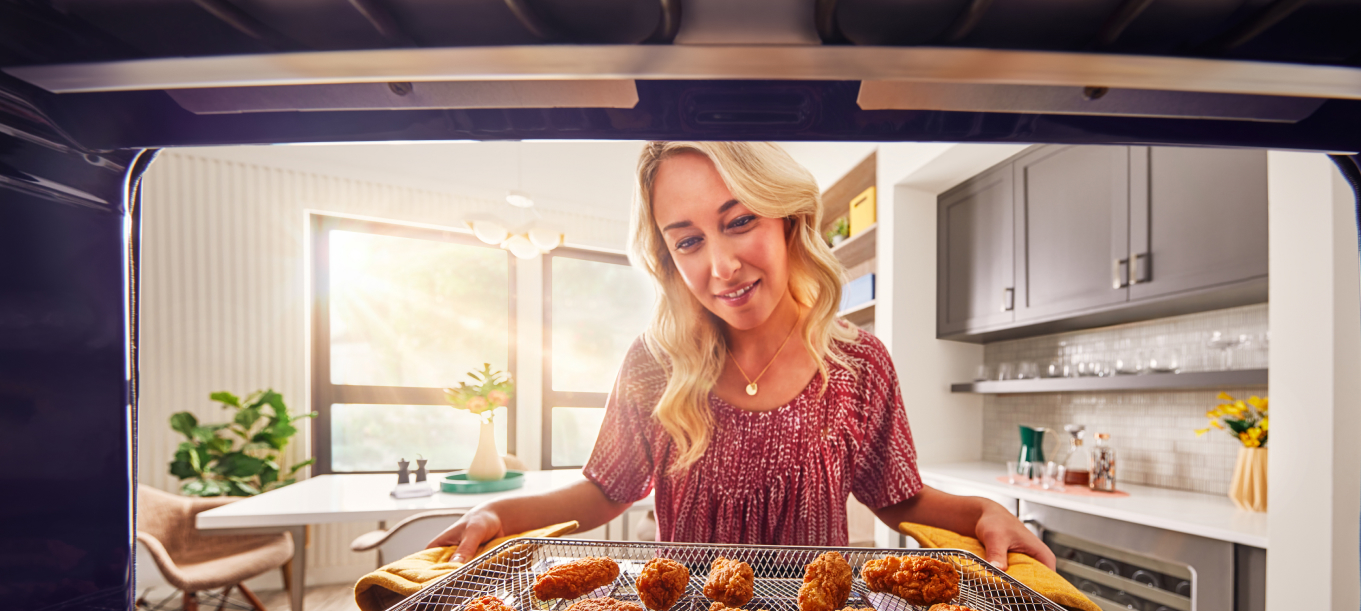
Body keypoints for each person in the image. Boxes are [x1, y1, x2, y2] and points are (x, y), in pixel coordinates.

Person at [430, 141, 1055, 570]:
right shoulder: (654, 363)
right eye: (689, 241)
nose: (721, 267)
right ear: (668, 258)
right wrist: (498, 512)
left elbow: (896, 498)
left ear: (785, 217)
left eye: (739, 221)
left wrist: (982, 513)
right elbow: (604, 491)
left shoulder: (859, 364)